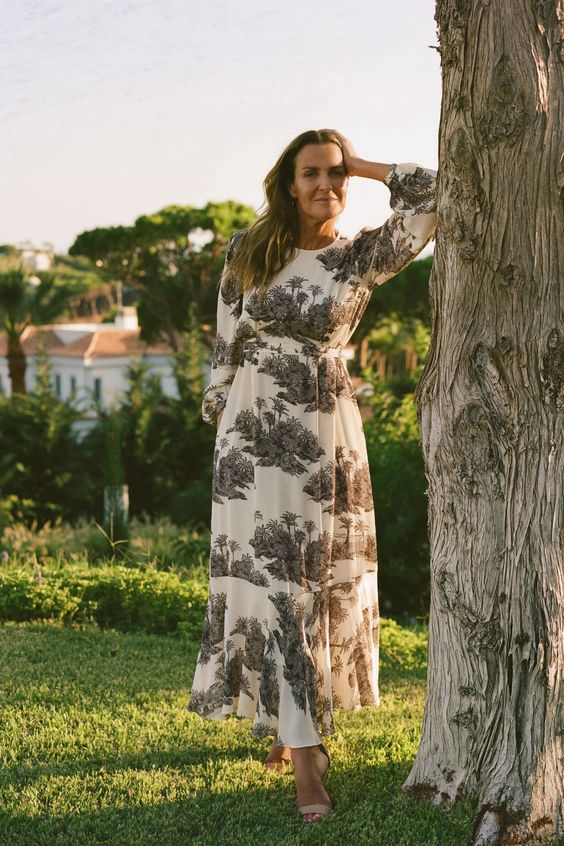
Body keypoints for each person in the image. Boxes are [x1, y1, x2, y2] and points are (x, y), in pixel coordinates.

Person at [188, 128, 437, 822]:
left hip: (323, 434)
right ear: (289, 184)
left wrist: (361, 162)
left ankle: (299, 740)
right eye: (312, 173)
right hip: (248, 440)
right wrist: (222, 415)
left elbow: (437, 196)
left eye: (335, 174)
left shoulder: (359, 255)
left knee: (308, 585)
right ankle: (299, 745)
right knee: (271, 583)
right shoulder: (248, 249)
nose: (325, 185)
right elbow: (226, 341)